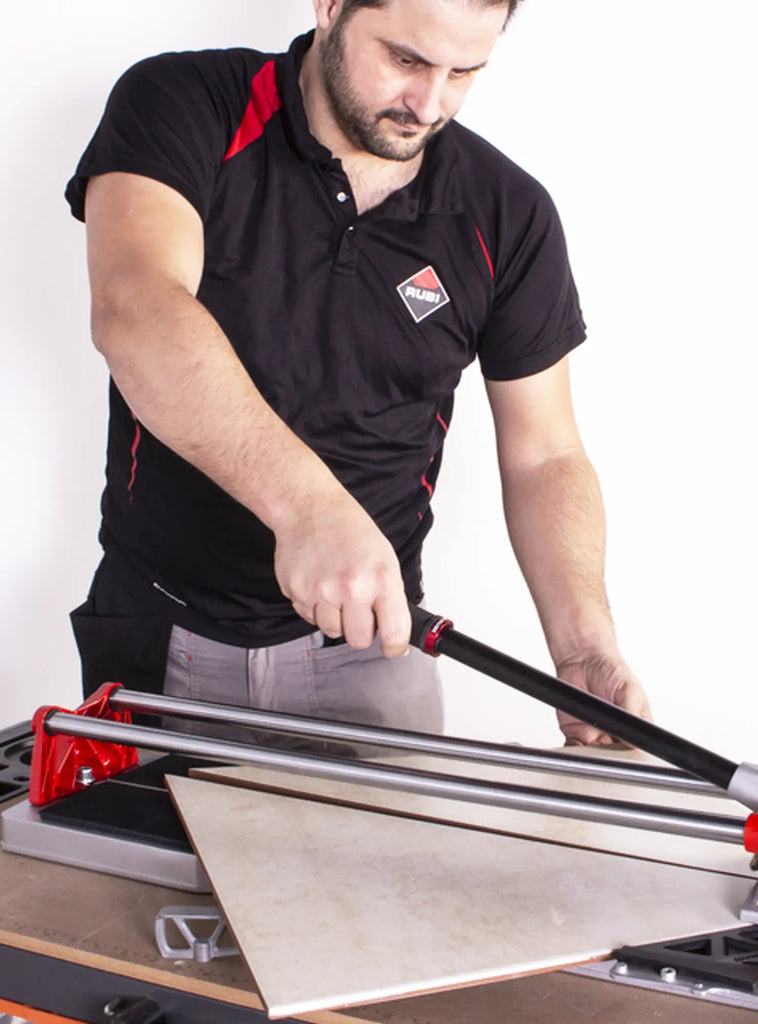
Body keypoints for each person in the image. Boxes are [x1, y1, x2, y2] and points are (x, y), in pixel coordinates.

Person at [66, 0, 651, 745]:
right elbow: (136, 307)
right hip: (161, 632)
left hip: (375, 646)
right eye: (406, 60)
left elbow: (545, 454)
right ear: (330, 6)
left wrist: (584, 646)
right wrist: (308, 508)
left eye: (463, 73)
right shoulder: (186, 103)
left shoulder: (509, 212)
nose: (428, 105)